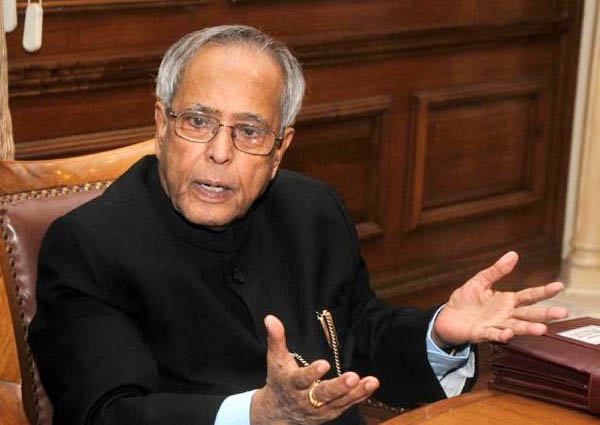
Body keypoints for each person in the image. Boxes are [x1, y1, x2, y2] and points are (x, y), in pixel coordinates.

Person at [29, 25, 568, 425]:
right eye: (198, 121)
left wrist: (437, 333)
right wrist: (256, 414)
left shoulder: (312, 211)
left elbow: (358, 339)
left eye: (249, 131)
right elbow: (106, 414)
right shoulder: (89, 245)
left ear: (280, 148)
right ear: (160, 124)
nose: (220, 152)